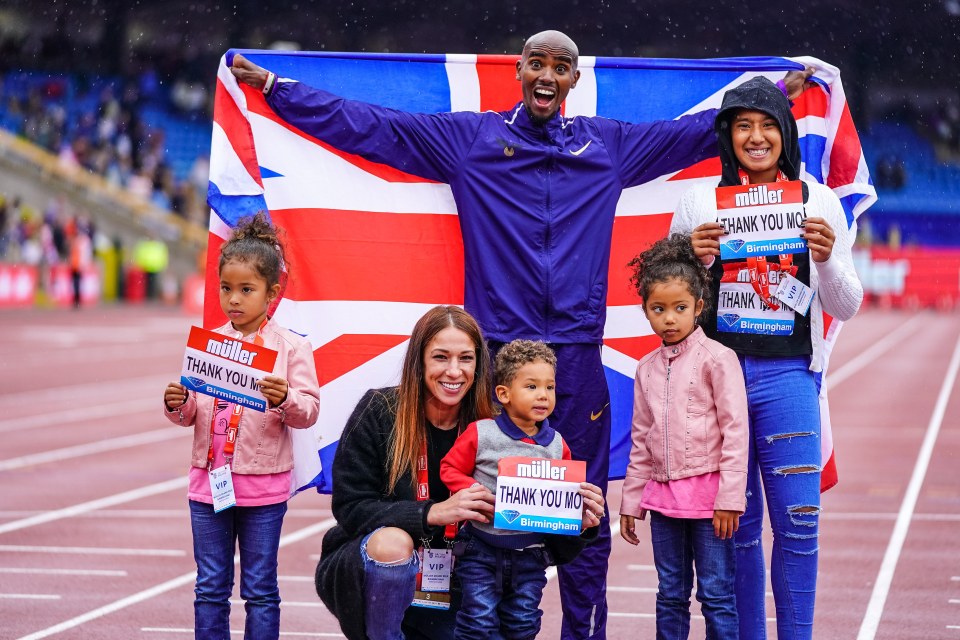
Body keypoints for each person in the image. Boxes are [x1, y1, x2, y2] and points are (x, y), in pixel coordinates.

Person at [230, 35, 813, 638]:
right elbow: (375, 127)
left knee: (584, 522)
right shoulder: (473, 141)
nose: (547, 74)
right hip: (499, 363)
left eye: (561, 67)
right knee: (487, 514)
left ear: (572, 79)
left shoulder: (606, 146)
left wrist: (769, 97)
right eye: (537, 63)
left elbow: (687, 133)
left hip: (577, 363)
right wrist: (280, 91)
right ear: (520, 71)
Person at [669, 76, 864, 639]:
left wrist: (826, 260)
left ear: (786, 132)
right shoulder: (698, 201)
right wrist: (693, 262)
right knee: (738, 528)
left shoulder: (818, 199)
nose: (756, 138)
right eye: (743, 126)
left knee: (800, 524)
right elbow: (668, 303)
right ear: (727, 136)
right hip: (716, 381)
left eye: (768, 125)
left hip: (788, 377)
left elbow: (845, 305)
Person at [162, 212, 321, 640]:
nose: (234, 299)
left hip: (264, 487)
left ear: (272, 293)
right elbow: (190, 410)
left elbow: (309, 410)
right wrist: (177, 404)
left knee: (260, 589)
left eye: (246, 289)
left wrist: (285, 397)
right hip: (207, 482)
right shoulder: (207, 344)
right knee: (210, 586)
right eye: (226, 288)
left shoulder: (292, 348)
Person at [618, 234, 748, 639]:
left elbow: (735, 433)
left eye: (679, 308)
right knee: (671, 593)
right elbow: (640, 439)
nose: (669, 319)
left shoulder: (719, 360)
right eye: (659, 309)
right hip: (664, 503)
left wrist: (730, 499)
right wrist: (631, 500)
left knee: (716, 595)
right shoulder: (646, 369)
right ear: (646, 311)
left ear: (698, 308)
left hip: (711, 506)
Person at [440, 339, 603, 639]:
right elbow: (448, 468)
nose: (543, 395)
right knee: (478, 622)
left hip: (531, 555)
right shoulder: (482, 432)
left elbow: (566, 495)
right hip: (481, 549)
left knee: (523, 624)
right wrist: (473, 490)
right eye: (531, 387)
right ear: (503, 394)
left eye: (549, 387)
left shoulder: (557, 445)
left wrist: (581, 510)